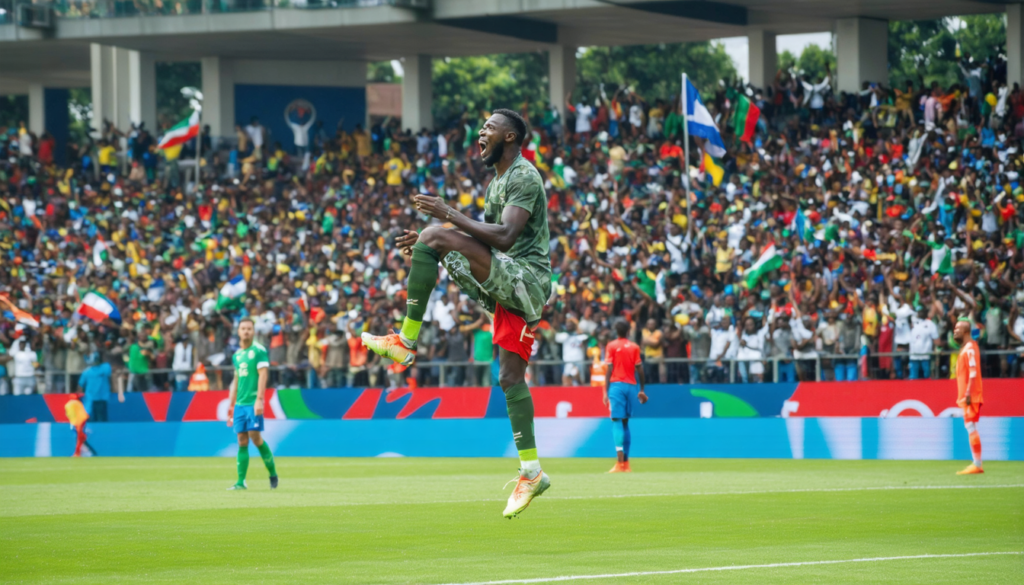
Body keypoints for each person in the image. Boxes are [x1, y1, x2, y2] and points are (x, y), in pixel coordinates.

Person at [360, 109, 551, 518]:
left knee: (435, 236)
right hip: (507, 285)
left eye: (490, 127)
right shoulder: (496, 183)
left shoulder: (523, 175)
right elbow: (484, 242)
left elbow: (504, 236)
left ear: (512, 137)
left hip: (527, 280)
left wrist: (446, 220)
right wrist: (438, 245)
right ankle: (533, 473)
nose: (481, 132)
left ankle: (405, 340)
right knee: (509, 378)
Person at [226, 318, 279, 490]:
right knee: (241, 440)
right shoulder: (237, 355)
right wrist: (231, 404)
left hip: (252, 403)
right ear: (239, 331)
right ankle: (241, 482)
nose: (246, 331)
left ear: (253, 331)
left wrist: (260, 400)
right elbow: (236, 379)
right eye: (243, 328)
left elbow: (263, 375)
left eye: (249, 328)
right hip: (240, 405)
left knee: (255, 438)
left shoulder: (259, 351)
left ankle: (272, 474)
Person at [602, 320, 647, 473]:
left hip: (616, 386)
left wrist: (605, 392)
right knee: (625, 423)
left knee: (616, 421)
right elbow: (640, 369)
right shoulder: (634, 347)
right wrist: (642, 389)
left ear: (616, 331)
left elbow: (609, 369)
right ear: (628, 331)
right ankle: (626, 463)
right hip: (631, 387)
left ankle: (619, 462)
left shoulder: (612, 346)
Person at [953, 317, 984, 475]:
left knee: (971, 426)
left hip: (971, 395)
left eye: (957, 329)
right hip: (968, 394)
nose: (954, 331)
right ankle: (976, 463)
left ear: (966, 331)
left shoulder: (970, 348)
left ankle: (977, 464)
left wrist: (968, 392)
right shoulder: (967, 348)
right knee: (969, 426)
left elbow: (973, 372)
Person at [78, 353, 120, 422]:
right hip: (93, 399)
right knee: (98, 419)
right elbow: (80, 385)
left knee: (98, 419)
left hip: (98, 398)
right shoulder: (105, 367)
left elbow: (80, 386)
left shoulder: (88, 371)